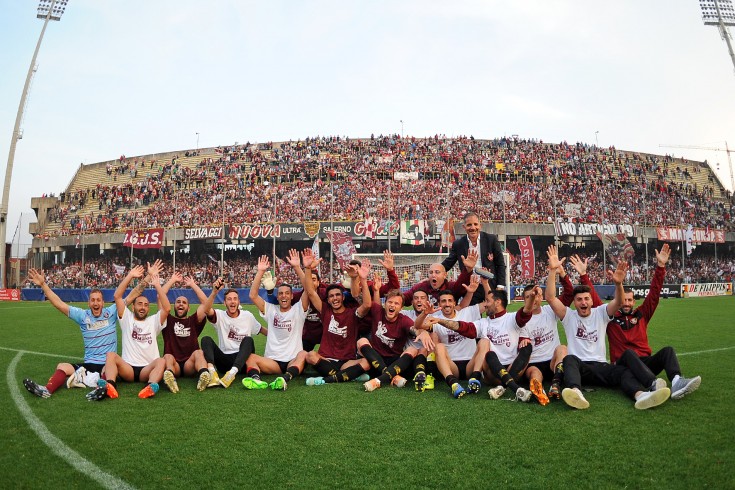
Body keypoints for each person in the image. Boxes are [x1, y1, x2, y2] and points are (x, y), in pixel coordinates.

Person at [545, 250, 670, 410]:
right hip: (580, 368)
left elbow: (618, 302)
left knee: (624, 371)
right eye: (579, 300)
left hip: (601, 367)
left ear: (591, 301)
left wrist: (618, 284)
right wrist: (553, 270)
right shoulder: (569, 316)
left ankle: (641, 395)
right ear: (574, 303)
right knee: (569, 359)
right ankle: (576, 392)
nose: (583, 302)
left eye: (586, 299)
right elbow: (550, 298)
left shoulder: (601, 312)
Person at [22, 265, 146, 398]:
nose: (95, 303)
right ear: (88, 303)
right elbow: (59, 304)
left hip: (107, 365)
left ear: (103, 303)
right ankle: (47, 390)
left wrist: (147, 277)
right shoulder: (82, 316)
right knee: (62, 366)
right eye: (92, 300)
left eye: (98, 300)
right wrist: (43, 284)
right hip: (89, 364)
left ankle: (101, 388)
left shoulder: (111, 312)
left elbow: (134, 294)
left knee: (108, 370)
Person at [607, 243, 701, 399]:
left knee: (668, 351)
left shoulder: (642, 313)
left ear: (634, 302)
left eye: (630, 300)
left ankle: (677, 382)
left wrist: (661, 266)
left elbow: (654, 294)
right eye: (623, 300)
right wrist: (583, 274)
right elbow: (594, 302)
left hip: (644, 363)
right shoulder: (609, 318)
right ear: (618, 300)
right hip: (623, 364)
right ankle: (652, 384)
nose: (626, 303)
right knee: (629, 353)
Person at [89, 261, 171, 400]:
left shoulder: (153, 321)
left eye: (146, 305)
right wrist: (130, 276)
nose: (143, 307)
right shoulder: (126, 318)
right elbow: (117, 296)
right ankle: (110, 385)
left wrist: (157, 285)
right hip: (128, 369)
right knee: (110, 355)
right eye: (139, 304)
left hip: (147, 369)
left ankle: (150, 387)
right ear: (133, 307)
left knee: (161, 361)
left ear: (148, 309)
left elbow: (167, 308)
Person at [301, 249, 373, 385]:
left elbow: (367, 304)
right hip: (326, 359)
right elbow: (310, 292)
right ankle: (349, 376)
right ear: (327, 300)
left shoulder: (352, 313)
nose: (335, 298)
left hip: (346, 361)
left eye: (337, 295)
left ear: (343, 297)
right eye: (331, 296)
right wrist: (307, 268)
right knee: (310, 355)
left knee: (366, 362)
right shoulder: (325, 311)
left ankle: (324, 380)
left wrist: (362, 279)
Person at [245, 253, 309, 391]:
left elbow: (309, 290)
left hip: (292, 359)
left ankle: (285, 378)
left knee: (303, 354)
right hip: (273, 361)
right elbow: (252, 295)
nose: (283, 296)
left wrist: (297, 267)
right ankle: (256, 380)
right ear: (277, 296)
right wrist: (260, 271)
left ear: (292, 296)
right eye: (280, 293)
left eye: (287, 293)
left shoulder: (299, 309)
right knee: (250, 357)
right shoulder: (270, 309)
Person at [360, 276, 434, 392]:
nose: (392, 305)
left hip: (396, 363)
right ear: (385, 304)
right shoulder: (377, 311)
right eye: (390, 302)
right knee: (361, 341)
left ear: (401, 308)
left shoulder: (403, 319)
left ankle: (379, 380)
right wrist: (363, 281)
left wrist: (422, 332)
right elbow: (366, 302)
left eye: (396, 303)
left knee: (413, 349)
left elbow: (414, 328)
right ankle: (391, 376)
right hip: (376, 360)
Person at [158, 272, 223, 393]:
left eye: (184, 302)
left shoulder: (193, 320)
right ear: (173, 306)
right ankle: (170, 377)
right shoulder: (167, 320)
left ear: (188, 308)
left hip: (190, 364)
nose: (180, 304)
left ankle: (204, 374)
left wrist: (193, 285)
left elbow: (205, 304)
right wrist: (172, 280)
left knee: (199, 353)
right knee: (167, 356)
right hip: (174, 364)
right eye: (178, 302)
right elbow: (160, 297)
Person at [415, 289, 482, 398]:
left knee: (484, 342)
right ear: (439, 304)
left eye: (450, 301)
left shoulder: (467, 312)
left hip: (471, 363)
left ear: (455, 303)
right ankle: (453, 384)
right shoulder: (435, 318)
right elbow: (418, 325)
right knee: (439, 346)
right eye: (443, 301)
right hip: (451, 366)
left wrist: (484, 284)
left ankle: (475, 378)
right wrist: (424, 313)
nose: (447, 304)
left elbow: (491, 303)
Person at [474, 288, 536, 403]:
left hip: (513, 369)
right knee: (490, 354)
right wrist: (440, 321)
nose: (485, 305)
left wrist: (531, 298)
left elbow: (525, 313)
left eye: (487, 301)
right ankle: (515, 388)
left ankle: (503, 387)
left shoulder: (512, 318)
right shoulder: (483, 322)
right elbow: (463, 327)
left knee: (527, 347)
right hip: (492, 372)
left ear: (497, 302)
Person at [201, 286, 267, 389]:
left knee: (248, 340)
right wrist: (214, 292)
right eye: (229, 299)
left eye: (235, 299)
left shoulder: (247, 316)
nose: (232, 301)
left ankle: (231, 374)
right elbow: (206, 309)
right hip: (224, 361)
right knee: (206, 339)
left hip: (243, 361)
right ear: (224, 303)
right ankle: (212, 373)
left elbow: (261, 329)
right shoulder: (220, 315)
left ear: (238, 302)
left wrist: (277, 335)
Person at [441, 211, 506, 301]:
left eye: (475, 224)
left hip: (490, 285)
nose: (473, 228)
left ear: (480, 225)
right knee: (473, 314)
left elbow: (501, 264)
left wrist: (500, 286)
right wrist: (435, 273)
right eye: (469, 225)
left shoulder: (491, 239)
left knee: (494, 313)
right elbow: (447, 264)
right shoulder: (458, 244)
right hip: (471, 287)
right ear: (464, 227)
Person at [402, 250, 478, 307]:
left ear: (445, 275)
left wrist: (468, 269)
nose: (433, 275)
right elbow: (403, 299)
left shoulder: (451, 287)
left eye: (437, 272)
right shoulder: (421, 287)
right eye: (431, 272)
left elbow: (462, 283)